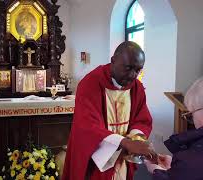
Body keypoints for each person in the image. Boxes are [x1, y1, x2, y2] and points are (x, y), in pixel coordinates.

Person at [63, 41, 155, 180]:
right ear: (113, 60)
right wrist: (126, 143)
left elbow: (142, 119)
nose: (132, 75)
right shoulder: (90, 83)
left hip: (124, 157)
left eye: (137, 70)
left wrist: (136, 139)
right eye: (128, 68)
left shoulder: (136, 87)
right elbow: (87, 126)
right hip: (96, 161)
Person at [144, 77, 203, 180]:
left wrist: (156, 171)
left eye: (191, 114)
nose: (192, 121)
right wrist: (175, 167)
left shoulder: (189, 160)